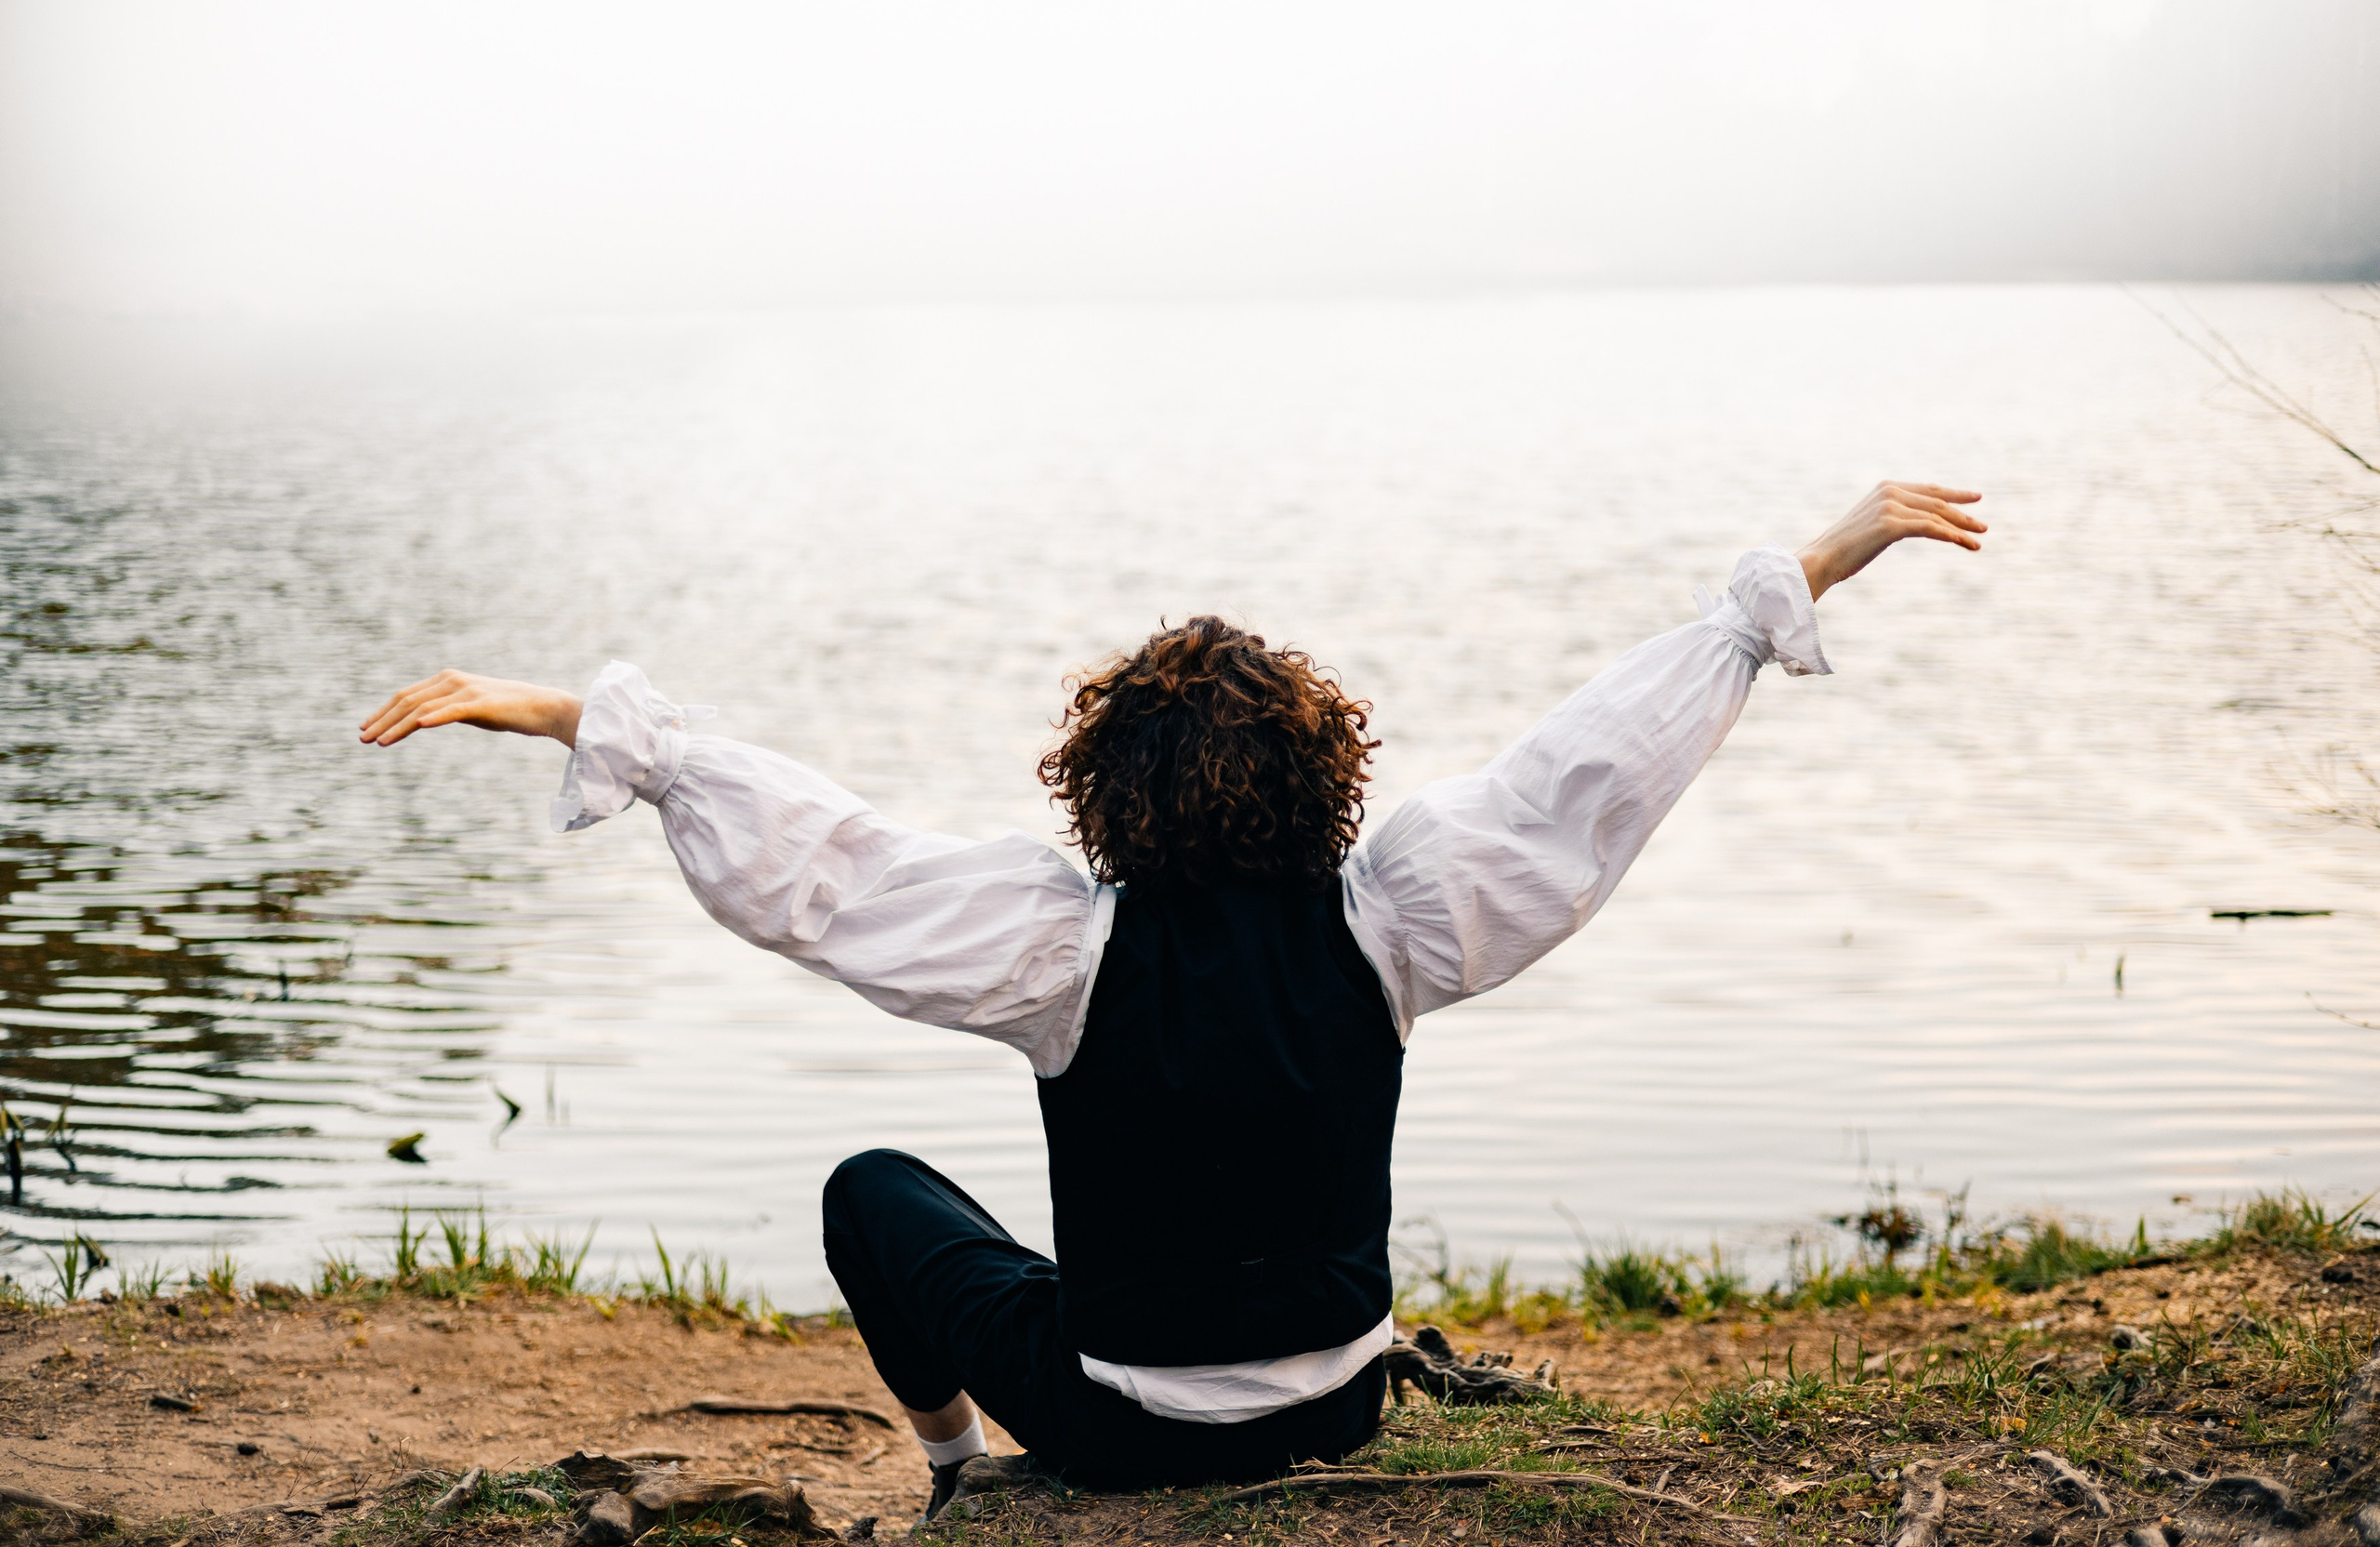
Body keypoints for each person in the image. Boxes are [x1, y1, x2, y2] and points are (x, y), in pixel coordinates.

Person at [360, 481, 1984, 1513]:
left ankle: (956, 1482)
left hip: (1123, 1428)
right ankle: (974, 1477)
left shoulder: (1059, 952)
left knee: (873, 1194)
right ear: (1321, 773)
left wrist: (598, 722)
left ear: (1105, 792)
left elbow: (833, 873)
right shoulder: (1393, 924)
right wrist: (1787, 587)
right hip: (1339, 1407)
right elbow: (1585, 781)